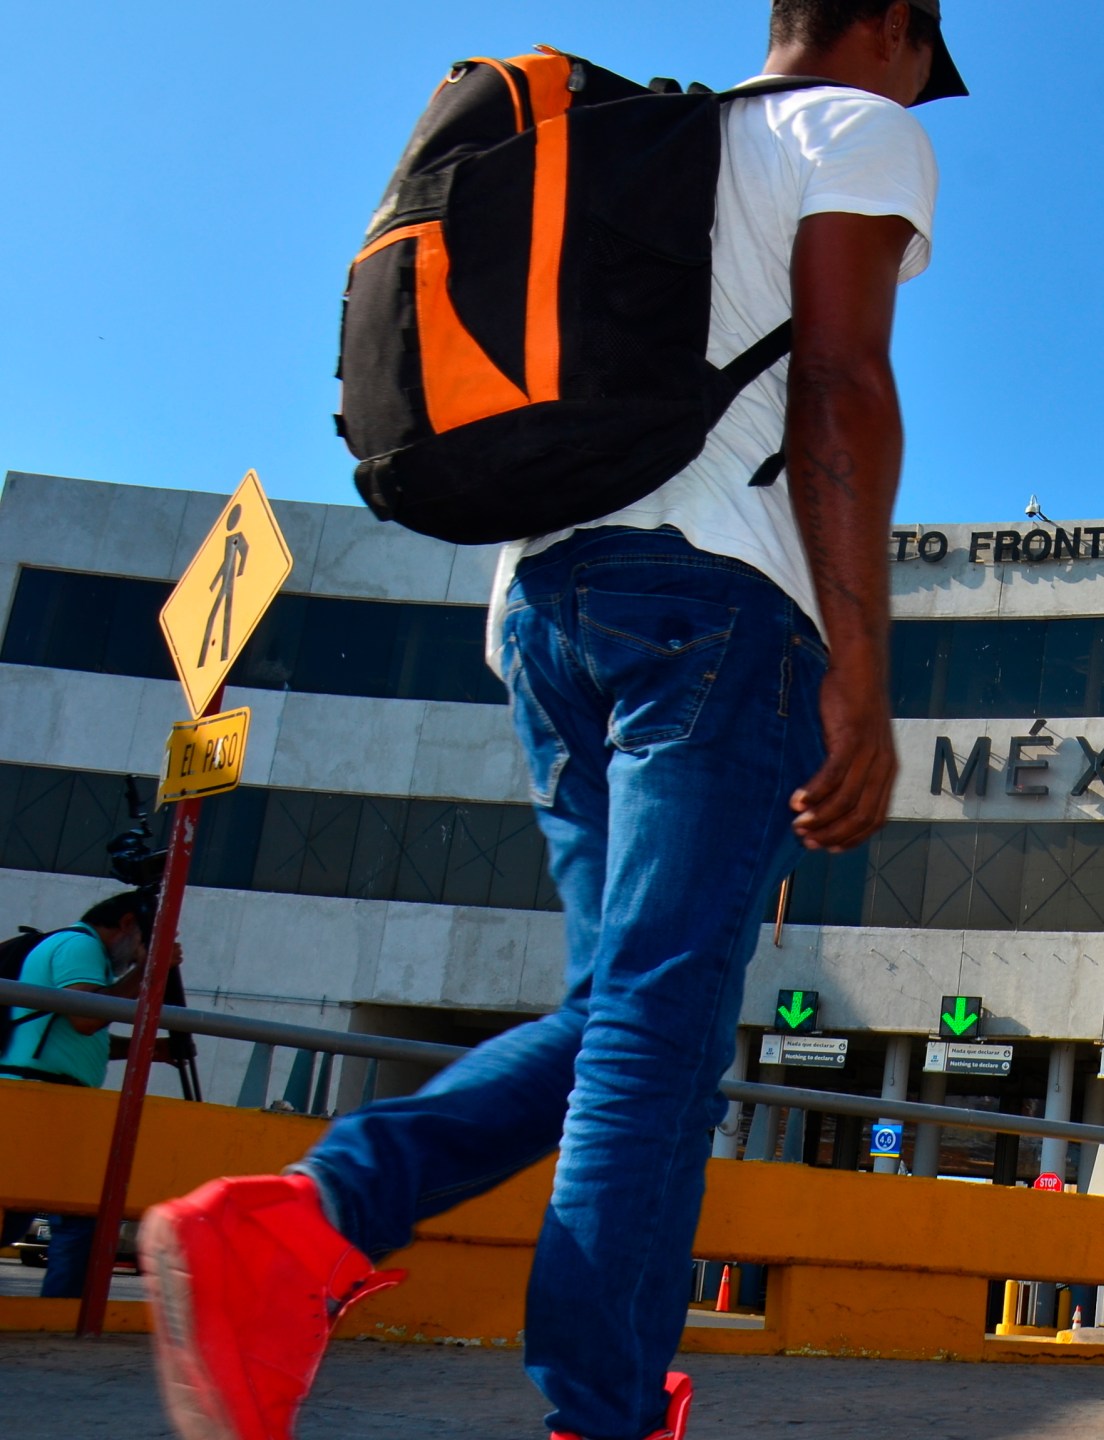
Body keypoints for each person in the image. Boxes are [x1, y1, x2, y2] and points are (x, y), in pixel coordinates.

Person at [140, 6, 962, 1439]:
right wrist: (864, 669)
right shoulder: (859, 131)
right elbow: (840, 380)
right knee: (660, 1025)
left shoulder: (646, 145)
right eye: (925, 66)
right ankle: (605, 1405)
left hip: (539, 611)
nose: (923, 97)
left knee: (616, 1007)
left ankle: (291, 1230)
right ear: (891, 25)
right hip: (714, 612)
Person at [1, 889, 154, 1298]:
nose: (138, 952)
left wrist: (149, 1050)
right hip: (43, 1095)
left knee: (49, 1215)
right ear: (125, 925)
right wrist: (148, 972)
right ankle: (63, 1310)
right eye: (142, 941)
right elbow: (87, 1016)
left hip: (51, 1092)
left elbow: (82, 1036)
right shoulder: (80, 944)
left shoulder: (79, 950)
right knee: (66, 1217)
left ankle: (62, 1309)